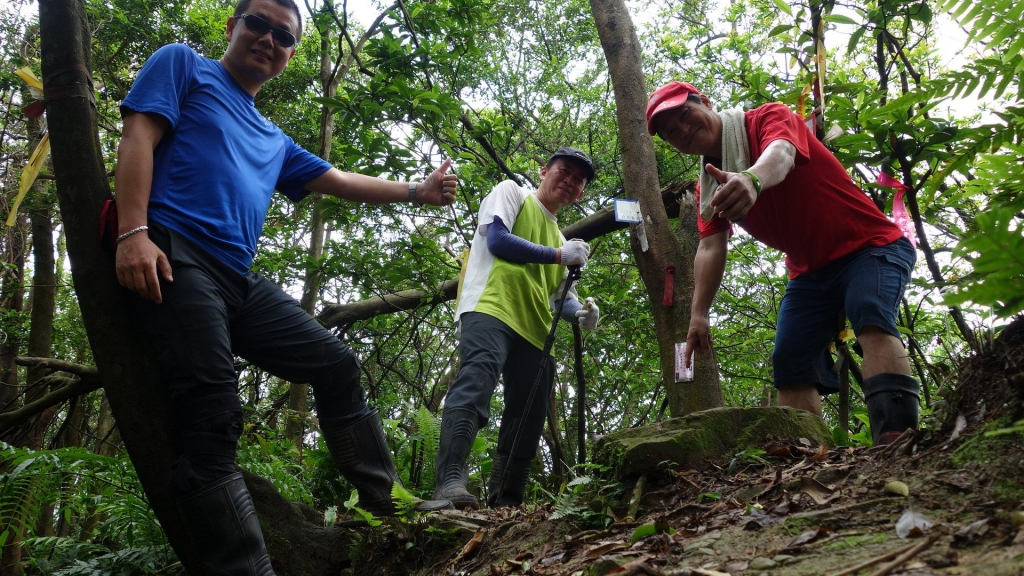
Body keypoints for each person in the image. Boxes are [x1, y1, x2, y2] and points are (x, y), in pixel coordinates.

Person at [113, 0, 456, 572]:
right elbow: (138, 137)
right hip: (174, 251)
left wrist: (416, 192)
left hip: (236, 278)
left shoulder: (274, 139)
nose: (270, 39)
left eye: (284, 36)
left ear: (291, 55)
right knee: (215, 413)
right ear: (232, 27)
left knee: (337, 364)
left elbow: (340, 179)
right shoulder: (184, 66)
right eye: (259, 24)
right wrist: (132, 233)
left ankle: (388, 508)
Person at [645, 81, 919, 447]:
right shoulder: (707, 189)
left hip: (870, 246)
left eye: (684, 114)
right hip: (809, 272)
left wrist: (751, 179)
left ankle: (896, 437)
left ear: (705, 102)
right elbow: (710, 247)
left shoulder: (765, 119)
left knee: (868, 309)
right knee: (789, 359)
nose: (683, 130)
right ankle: (809, 455)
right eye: (671, 133)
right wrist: (699, 313)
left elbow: (782, 154)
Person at [431, 147, 602, 510]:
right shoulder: (512, 193)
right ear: (544, 171)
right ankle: (449, 484)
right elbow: (498, 240)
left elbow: (560, 299)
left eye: (578, 180)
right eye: (564, 171)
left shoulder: (561, 240)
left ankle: (506, 503)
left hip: (536, 331)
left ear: (581, 193)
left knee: (529, 413)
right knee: (476, 383)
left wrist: (582, 313)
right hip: (491, 307)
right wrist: (560, 255)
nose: (569, 181)